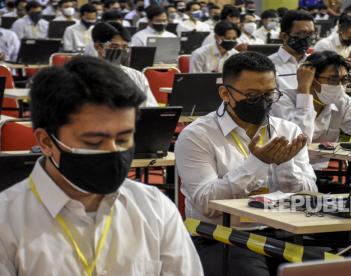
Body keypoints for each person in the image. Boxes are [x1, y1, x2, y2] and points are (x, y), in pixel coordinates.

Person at [0, 56, 202, 275]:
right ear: (47, 142)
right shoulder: (7, 220)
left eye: (124, 139)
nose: (113, 150)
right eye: (94, 142)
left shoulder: (154, 208)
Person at [175, 51, 317, 276]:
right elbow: (205, 203)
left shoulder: (288, 130)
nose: (263, 102)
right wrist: (257, 163)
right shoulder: (197, 136)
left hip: (285, 232)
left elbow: (309, 194)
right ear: (225, 93)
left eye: (270, 94)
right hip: (224, 237)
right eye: (252, 96)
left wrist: (285, 165)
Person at [275, 50, 351, 169]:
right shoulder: (283, 100)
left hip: (319, 169)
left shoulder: (342, 101)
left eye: (344, 80)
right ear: (313, 79)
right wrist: (304, 90)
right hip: (288, 169)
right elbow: (299, 143)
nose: (339, 86)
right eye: (333, 80)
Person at [92, 21, 158, 106]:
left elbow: (150, 108)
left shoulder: (137, 75)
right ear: (98, 47)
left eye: (125, 47)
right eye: (114, 46)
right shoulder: (85, 77)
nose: (121, 51)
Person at [269, 9, 315, 90]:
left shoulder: (314, 62)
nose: (307, 38)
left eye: (310, 33)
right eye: (301, 33)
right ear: (284, 36)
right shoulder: (269, 66)